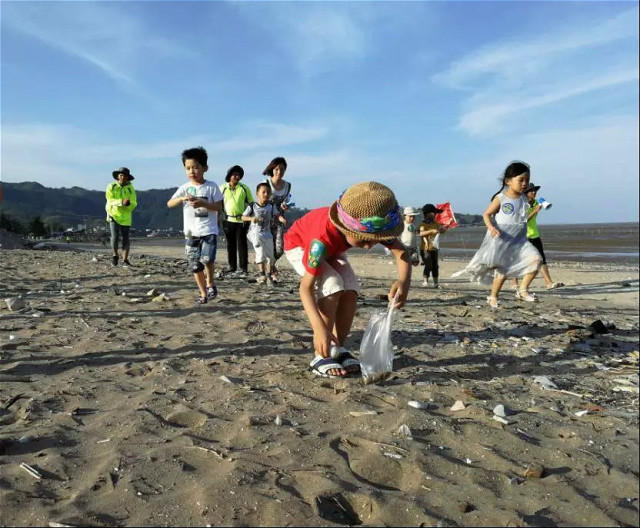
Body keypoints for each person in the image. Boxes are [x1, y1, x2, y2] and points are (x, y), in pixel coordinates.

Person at [284, 181, 411, 378]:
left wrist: (404, 282)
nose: (369, 246)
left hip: (333, 250)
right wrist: (318, 329)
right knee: (332, 284)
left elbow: (401, 252)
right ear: (346, 228)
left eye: (375, 240)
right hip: (300, 246)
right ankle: (321, 353)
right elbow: (305, 288)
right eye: (363, 240)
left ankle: (337, 346)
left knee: (351, 287)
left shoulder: (373, 227)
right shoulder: (321, 239)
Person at [452, 161, 542, 309]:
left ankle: (523, 290)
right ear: (508, 181)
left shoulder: (524, 199)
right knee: (503, 270)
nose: (525, 183)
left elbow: (522, 218)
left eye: (527, 179)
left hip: (520, 240)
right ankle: (493, 296)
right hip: (503, 239)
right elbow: (487, 214)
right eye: (521, 180)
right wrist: (491, 228)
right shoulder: (501, 198)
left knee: (536, 260)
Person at [167, 147, 223, 305]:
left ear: (205, 168)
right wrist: (182, 198)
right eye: (188, 168)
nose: (192, 171)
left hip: (208, 230)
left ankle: (211, 282)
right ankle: (203, 293)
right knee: (195, 265)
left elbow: (218, 206)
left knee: (207, 259)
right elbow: (170, 203)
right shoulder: (184, 188)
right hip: (191, 233)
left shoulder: (211, 186)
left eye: (196, 167)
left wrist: (203, 203)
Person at [512, 182, 564, 291]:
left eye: (535, 191)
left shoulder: (536, 202)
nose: (534, 193)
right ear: (526, 193)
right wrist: (535, 211)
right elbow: (522, 221)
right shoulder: (520, 204)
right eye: (531, 191)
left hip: (535, 235)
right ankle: (514, 281)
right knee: (518, 260)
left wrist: (540, 206)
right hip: (522, 236)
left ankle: (549, 283)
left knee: (541, 260)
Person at [241, 182, 286, 286]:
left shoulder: (271, 206)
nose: (266, 194)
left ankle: (269, 275)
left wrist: (281, 218)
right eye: (263, 192)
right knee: (260, 253)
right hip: (255, 234)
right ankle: (262, 274)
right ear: (257, 193)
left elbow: (277, 214)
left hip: (268, 234)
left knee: (271, 256)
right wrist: (251, 218)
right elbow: (243, 217)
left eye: (268, 192)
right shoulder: (252, 206)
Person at [220, 165, 253, 278]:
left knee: (242, 245)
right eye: (234, 174)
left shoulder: (244, 188)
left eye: (239, 175)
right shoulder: (222, 188)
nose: (236, 176)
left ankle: (243, 268)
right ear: (229, 176)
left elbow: (251, 204)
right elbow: (218, 204)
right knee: (231, 245)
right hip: (228, 220)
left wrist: (248, 216)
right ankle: (232, 267)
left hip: (241, 221)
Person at [263, 156, 292, 283]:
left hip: (280, 219)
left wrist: (285, 205)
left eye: (282, 169)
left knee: (280, 248)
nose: (279, 172)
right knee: (268, 246)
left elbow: (287, 201)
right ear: (272, 169)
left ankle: (272, 265)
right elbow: (261, 200)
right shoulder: (266, 183)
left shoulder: (287, 185)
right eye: (276, 169)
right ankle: (270, 270)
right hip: (267, 218)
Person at [105, 167, 137, 267]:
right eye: (121, 175)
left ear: (128, 178)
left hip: (126, 216)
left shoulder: (130, 188)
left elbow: (134, 202)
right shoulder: (111, 186)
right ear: (117, 177)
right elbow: (110, 199)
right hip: (113, 214)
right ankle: (115, 256)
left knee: (125, 238)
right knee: (114, 237)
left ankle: (125, 259)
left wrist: (128, 204)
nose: (123, 177)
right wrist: (121, 202)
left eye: (125, 176)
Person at [418, 204, 448, 288]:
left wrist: (447, 226)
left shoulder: (436, 224)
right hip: (425, 248)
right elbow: (421, 233)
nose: (435, 214)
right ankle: (425, 281)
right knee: (429, 264)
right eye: (434, 213)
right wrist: (432, 231)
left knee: (435, 265)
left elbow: (441, 231)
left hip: (434, 247)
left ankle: (436, 283)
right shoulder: (423, 224)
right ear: (427, 214)